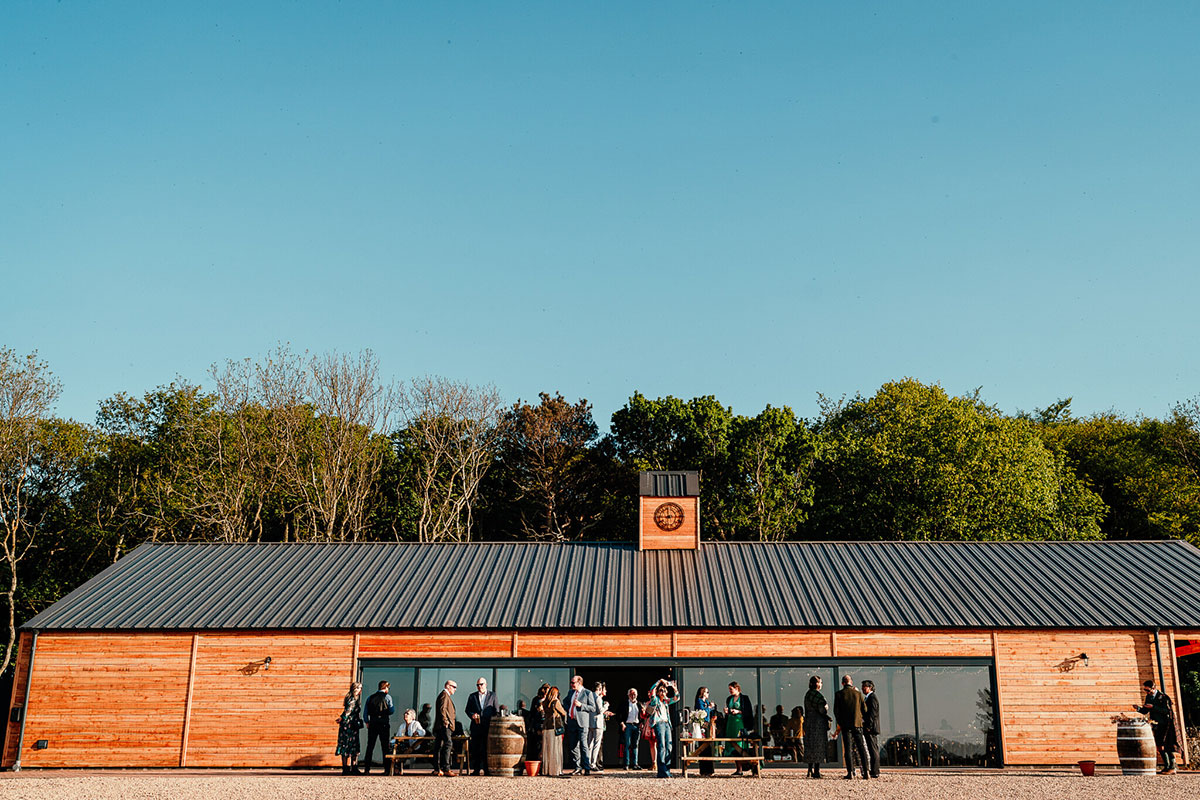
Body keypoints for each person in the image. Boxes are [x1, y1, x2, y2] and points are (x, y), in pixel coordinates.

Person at [1134, 679, 1179, 774]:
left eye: (1148, 690)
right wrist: (1138, 708)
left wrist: (1153, 707)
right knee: (1159, 746)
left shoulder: (1163, 697)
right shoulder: (1148, 697)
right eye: (1145, 690)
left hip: (1166, 723)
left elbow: (1168, 711)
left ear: (1153, 688)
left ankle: (1173, 766)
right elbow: (1145, 711)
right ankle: (1166, 766)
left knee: (1167, 745)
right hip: (1156, 724)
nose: (1147, 692)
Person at [832, 674, 870, 780]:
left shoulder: (839, 694)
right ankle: (866, 772)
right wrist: (860, 718)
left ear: (842, 683)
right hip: (857, 724)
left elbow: (836, 711)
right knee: (861, 748)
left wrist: (840, 722)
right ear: (851, 682)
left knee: (848, 749)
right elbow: (865, 709)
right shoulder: (858, 694)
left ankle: (850, 772)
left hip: (845, 725)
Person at [563, 675, 600, 775]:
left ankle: (586, 767)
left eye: (573, 683)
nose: (571, 684)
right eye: (571, 682)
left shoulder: (588, 693)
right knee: (573, 745)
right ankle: (577, 767)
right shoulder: (570, 692)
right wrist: (569, 709)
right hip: (572, 721)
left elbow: (593, 708)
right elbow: (565, 702)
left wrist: (581, 706)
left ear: (579, 683)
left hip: (582, 723)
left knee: (584, 745)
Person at [465, 676, 499, 775]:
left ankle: (486, 770)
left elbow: (496, 711)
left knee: (486, 748)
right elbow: (467, 710)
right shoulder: (472, 696)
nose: (479, 686)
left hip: (488, 726)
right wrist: (472, 715)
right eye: (478, 685)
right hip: (476, 726)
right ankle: (476, 770)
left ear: (486, 684)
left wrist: (493, 723)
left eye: (481, 684)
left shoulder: (492, 695)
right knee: (475, 748)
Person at [362, 680, 394, 775]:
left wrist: (367, 722)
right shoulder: (388, 697)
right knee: (385, 747)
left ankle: (367, 769)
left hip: (373, 723)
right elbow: (392, 710)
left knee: (370, 746)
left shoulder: (370, 698)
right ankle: (387, 769)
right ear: (385, 688)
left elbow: (365, 712)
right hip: (383, 723)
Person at [724, 681, 756, 776]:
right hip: (730, 723)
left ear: (737, 688)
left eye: (731, 689)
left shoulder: (744, 698)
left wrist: (738, 711)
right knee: (732, 744)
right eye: (729, 689)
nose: (730, 691)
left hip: (739, 723)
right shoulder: (729, 698)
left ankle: (747, 766)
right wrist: (727, 711)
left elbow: (748, 711)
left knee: (740, 743)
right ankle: (739, 769)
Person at [648, 680, 679, 778]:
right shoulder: (655, 700)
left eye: (665, 691)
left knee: (669, 747)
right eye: (661, 691)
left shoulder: (666, 702)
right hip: (659, 724)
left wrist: (674, 688)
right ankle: (662, 771)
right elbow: (652, 690)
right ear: (658, 692)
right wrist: (659, 681)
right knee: (662, 746)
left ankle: (667, 770)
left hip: (666, 724)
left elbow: (677, 698)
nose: (663, 693)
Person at [804, 675, 830, 778]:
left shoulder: (807, 695)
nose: (821, 685)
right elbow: (822, 708)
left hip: (809, 722)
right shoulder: (817, 695)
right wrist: (826, 708)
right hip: (817, 723)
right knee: (818, 747)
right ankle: (817, 771)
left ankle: (810, 769)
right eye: (820, 682)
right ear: (817, 684)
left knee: (810, 746)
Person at [336, 681, 363, 775]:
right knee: (351, 745)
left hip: (347, 725)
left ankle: (346, 768)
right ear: (356, 689)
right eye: (360, 688)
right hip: (350, 726)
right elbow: (348, 712)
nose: (361, 690)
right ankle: (352, 767)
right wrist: (342, 717)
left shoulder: (350, 698)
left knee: (346, 746)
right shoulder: (353, 700)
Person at [540, 685, 567, 777]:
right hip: (554, 728)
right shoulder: (556, 702)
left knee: (547, 750)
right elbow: (563, 713)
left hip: (546, 728)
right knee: (555, 749)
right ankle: (555, 770)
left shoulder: (544, 702)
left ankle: (546, 770)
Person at [434, 679, 458, 777]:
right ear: (448, 686)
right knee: (448, 744)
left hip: (442, 725)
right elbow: (442, 709)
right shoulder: (444, 695)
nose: (455, 690)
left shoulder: (444, 695)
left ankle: (438, 768)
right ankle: (446, 768)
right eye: (454, 687)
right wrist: (446, 722)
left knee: (439, 746)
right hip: (444, 725)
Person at [587, 682, 612, 771]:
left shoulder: (589, 696)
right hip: (597, 723)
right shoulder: (597, 698)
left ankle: (588, 762)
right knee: (596, 745)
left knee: (590, 744)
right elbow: (599, 710)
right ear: (599, 689)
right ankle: (593, 764)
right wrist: (606, 706)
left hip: (590, 723)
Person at [694, 686, 717, 776]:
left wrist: (712, 709)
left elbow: (709, 711)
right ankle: (703, 770)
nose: (708, 694)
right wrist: (710, 708)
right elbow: (702, 712)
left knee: (709, 746)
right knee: (703, 746)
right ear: (702, 693)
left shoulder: (706, 702)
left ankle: (710, 770)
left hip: (708, 724)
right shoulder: (699, 701)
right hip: (702, 724)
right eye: (707, 692)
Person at [861, 680, 880, 778]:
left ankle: (875, 771)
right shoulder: (868, 698)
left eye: (865, 686)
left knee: (873, 749)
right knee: (871, 748)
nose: (863, 688)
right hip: (869, 727)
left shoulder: (872, 698)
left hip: (871, 728)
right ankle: (874, 770)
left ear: (870, 687)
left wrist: (869, 726)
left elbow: (872, 714)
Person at [621, 688, 643, 771]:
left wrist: (642, 723)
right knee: (627, 745)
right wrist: (622, 723)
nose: (633, 696)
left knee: (635, 745)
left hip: (636, 726)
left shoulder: (640, 704)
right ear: (628, 695)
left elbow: (643, 716)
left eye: (634, 694)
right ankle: (626, 764)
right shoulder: (624, 704)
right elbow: (618, 715)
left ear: (637, 695)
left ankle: (635, 764)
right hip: (628, 726)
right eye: (631, 694)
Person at [526, 685, 548, 763]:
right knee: (538, 745)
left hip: (547, 724)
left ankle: (544, 764)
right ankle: (538, 763)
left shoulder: (550, 700)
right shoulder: (536, 700)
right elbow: (532, 713)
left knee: (545, 746)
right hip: (538, 724)